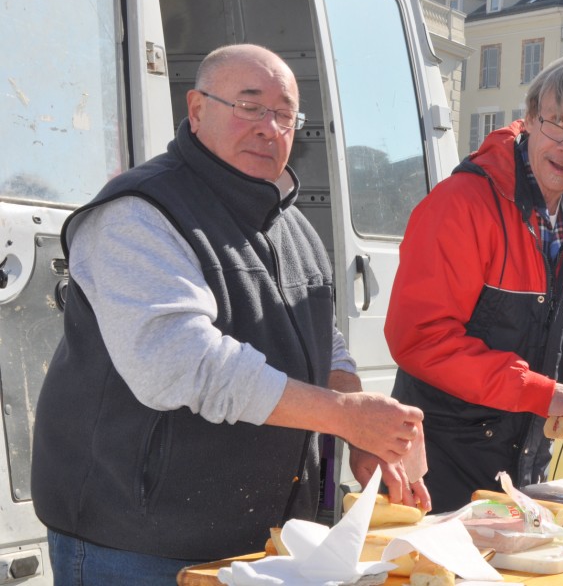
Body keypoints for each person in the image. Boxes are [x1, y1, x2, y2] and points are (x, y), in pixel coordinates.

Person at [30, 44, 427, 585]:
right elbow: (183, 363)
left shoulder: (292, 227)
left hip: (263, 538)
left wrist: (362, 430)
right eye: (249, 105)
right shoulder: (139, 212)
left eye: (285, 114)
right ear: (196, 110)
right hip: (136, 542)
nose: (270, 127)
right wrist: (341, 415)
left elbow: (324, 341)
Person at [384, 49, 563, 513]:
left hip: (524, 465)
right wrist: (546, 394)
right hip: (433, 469)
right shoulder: (461, 203)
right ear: (530, 117)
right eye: (557, 123)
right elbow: (420, 339)